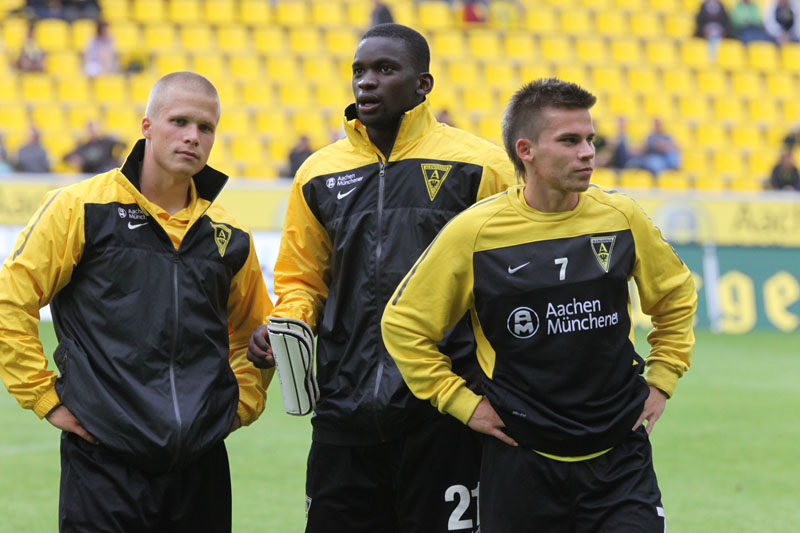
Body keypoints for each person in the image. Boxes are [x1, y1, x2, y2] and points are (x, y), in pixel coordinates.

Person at [382, 78, 697, 532]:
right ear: (525, 150)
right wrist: (461, 402)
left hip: (619, 461)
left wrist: (662, 378)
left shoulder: (621, 218)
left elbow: (676, 293)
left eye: (590, 139)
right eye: (569, 141)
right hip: (520, 462)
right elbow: (404, 325)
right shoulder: (474, 233)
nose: (587, 153)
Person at [246, 23, 515, 532]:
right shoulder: (317, 174)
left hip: (446, 411)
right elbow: (302, 280)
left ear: (423, 84)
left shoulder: (481, 167)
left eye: (385, 69)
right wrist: (286, 325)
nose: (366, 81)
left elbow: (508, 285)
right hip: (343, 411)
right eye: (359, 71)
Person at [0, 72, 274, 532]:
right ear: (147, 126)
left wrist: (241, 405)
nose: (193, 136)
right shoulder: (80, 208)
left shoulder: (230, 236)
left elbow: (256, 334)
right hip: (104, 466)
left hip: (201, 469)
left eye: (205, 127)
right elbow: (10, 301)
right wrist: (45, 397)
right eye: (179, 121)